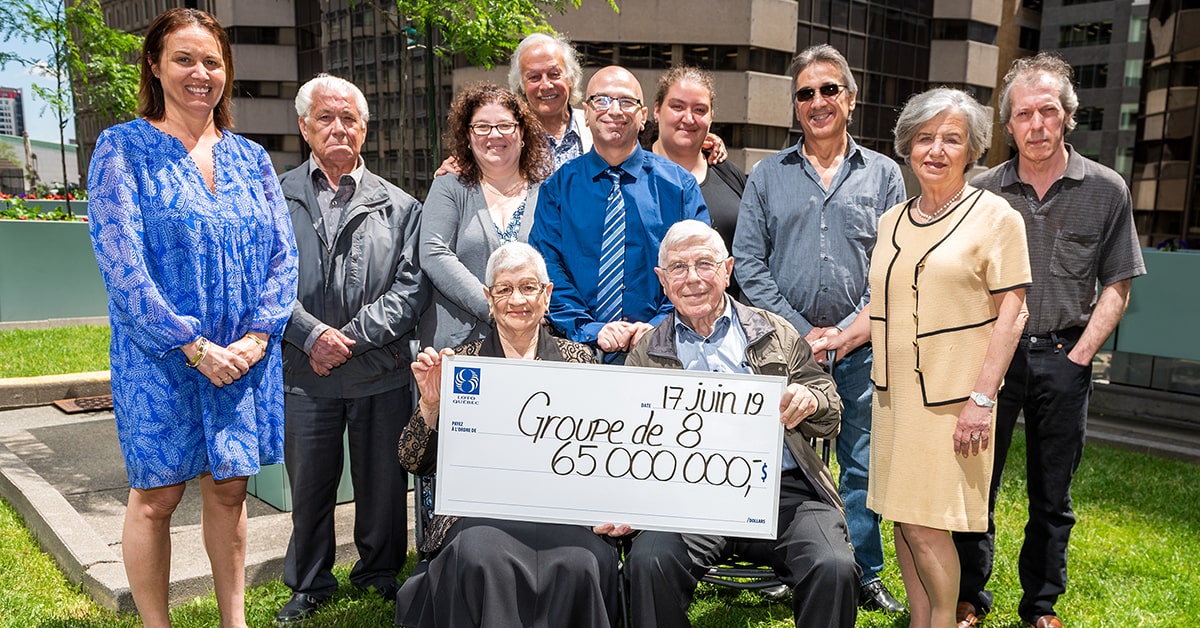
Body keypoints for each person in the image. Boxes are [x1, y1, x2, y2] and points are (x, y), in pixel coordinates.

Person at [86, 8, 298, 627]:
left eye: (212, 61)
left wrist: (257, 337)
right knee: (156, 496)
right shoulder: (122, 148)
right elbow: (122, 265)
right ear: (155, 65)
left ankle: (234, 621)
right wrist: (192, 345)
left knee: (229, 492)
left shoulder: (251, 158)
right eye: (183, 59)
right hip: (161, 356)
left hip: (241, 358)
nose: (200, 72)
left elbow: (283, 257)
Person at [953, 54, 1146, 628]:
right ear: (1008, 125)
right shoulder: (981, 192)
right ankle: (968, 596)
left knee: (1052, 495)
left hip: (1064, 356)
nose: (1036, 124)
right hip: (992, 360)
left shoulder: (1106, 189)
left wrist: (1080, 356)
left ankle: (1040, 606)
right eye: (1023, 114)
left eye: (1048, 111)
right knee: (975, 486)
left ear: (1067, 116)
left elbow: (1118, 284)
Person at [732, 43, 906, 613]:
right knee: (785, 459)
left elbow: (893, 264)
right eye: (805, 93)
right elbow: (749, 261)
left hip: (862, 347)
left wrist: (851, 331)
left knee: (859, 461)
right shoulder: (766, 175)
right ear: (795, 106)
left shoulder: (884, 175)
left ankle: (862, 571)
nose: (817, 101)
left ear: (850, 99)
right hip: (783, 351)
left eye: (829, 89)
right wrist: (800, 332)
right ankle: (792, 564)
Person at [851, 87, 1031, 628]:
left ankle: (945, 620)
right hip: (895, 398)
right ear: (907, 145)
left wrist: (983, 399)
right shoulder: (892, 220)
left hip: (954, 401)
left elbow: (1014, 311)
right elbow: (882, 306)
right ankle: (921, 618)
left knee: (928, 523)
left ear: (972, 150)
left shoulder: (997, 217)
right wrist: (836, 338)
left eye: (951, 139)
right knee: (902, 517)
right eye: (925, 138)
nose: (936, 150)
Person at [624, 219, 858, 628]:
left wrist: (811, 400)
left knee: (833, 565)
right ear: (662, 280)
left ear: (728, 270)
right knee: (649, 562)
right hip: (688, 498)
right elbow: (629, 437)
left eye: (704, 264)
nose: (692, 278)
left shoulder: (775, 331)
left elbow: (829, 406)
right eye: (678, 267)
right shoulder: (647, 352)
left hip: (781, 491)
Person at [396, 242, 621, 628]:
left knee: (584, 561)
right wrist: (431, 405)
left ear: (546, 295)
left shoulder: (579, 360)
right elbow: (412, 459)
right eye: (504, 289)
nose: (517, 300)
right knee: (477, 556)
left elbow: (600, 450)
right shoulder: (461, 363)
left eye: (529, 287)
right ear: (489, 298)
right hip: (480, 513)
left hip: (562, 509)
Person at [275, 74, 426, 623]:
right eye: (325, 118)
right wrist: (310, 335)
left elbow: (410, 289)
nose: (338, 128)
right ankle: (309, 582)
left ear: (365, 128)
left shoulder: (402, 206)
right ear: (304, 126)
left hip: (378, 370)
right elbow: (262, 279)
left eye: (349, 119)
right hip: (303, 369)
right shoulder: (274, 197)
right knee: (309, 486)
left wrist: (351, 338)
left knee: (383, 484)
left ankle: (378, 572)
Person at [529, 65, 709, 362]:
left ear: (643, 116)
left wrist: (657, 327)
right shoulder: (558, 188)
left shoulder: (679, 187)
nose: (614, 110)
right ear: (586, 114)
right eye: (601, 100)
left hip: (665, 352)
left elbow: (698, 266)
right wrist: (590, 328)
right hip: (574, 351)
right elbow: (547, 267)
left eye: (627, 101)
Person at [435, 33, 726, 175]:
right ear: (521, 86)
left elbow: (666, 137)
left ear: (571, 78)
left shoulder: (605, 122)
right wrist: (461, 164)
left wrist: (707, 139)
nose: (546, 85)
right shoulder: (507, 136)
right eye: (534, 77)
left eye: (554, 74)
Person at [419, 82, 552, 349]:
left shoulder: (548, 192)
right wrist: (492, 306)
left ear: (522, 132)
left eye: (505, 125)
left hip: (531, 344)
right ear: (468, 136)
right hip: (459, 346)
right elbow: (433, 252)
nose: (494, 134)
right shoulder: (449, 186)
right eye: (481, 127)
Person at [649, 66, 746, 299]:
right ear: (657, 110)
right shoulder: (630, 176)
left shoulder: (729, 174)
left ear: (711, 117)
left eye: (700, 110)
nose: (688, 118)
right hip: (652, 317)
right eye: (677, 107)